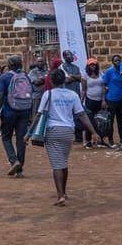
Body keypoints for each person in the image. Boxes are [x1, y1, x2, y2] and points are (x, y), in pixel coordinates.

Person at [36, 67, 99, 207]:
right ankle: (64, 192)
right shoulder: (72, 95)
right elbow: (82, 114)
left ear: (51, 81)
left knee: (57, 165)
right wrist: (93, 132)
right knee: (63, 162)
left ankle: (60, 195)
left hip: (52, 130)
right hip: (68, 131)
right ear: (64, 80)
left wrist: (30, 133)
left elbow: (40, 114)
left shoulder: (48, 94)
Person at [0, 57, 35, 178]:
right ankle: (20, 170)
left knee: (6, 137)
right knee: (21, 140)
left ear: (9, 65)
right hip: (24, 111)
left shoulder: (4, 77)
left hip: (9, 111)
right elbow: (31, 93)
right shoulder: (25, 76)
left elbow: (0, 96)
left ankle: (14, 161)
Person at [102, 54, 122, 149]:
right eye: (115, 61)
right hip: (111, 100)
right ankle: (111, 139)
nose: (117, 62)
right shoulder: (109, 72)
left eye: (119, 60)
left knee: (121, 121)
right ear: (113, 62)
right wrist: (103, 100)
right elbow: (104, 85)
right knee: (110, 121)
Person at [82, 59, 106, 148]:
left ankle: (100, 140)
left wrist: (103, 100)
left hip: (99, 100)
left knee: (100, 121)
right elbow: (84, 90)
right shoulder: (85, 76)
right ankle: (88, 140)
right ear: (88, 66)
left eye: (94, 65)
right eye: (91, 65)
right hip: (90, 100)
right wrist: (81, 101)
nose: (92, 66)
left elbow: (103, 88)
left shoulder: (100, 74)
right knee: (89, 120)